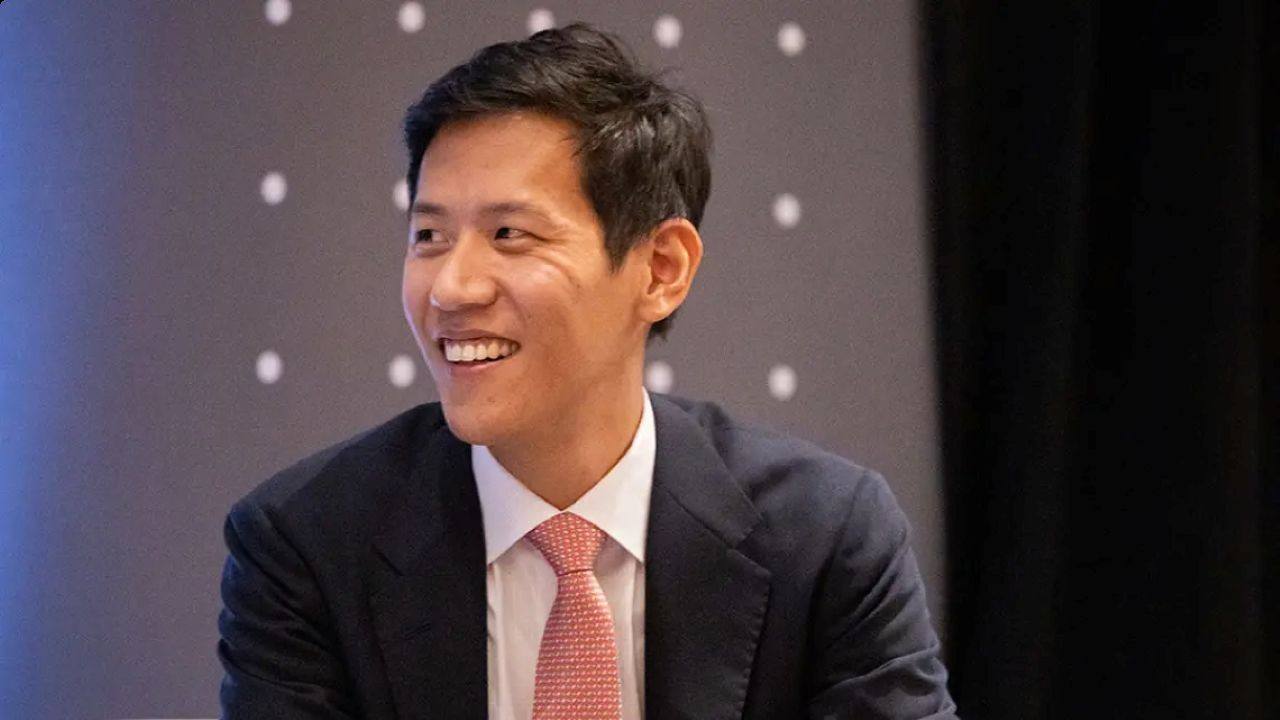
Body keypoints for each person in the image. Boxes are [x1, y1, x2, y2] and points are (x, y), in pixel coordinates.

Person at [217, 22, 958, 720]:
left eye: (509, 234)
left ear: (661, 269)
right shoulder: (308, 547)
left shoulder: (824, 537)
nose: (451, 288)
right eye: (429, 236)